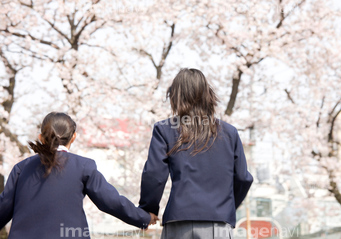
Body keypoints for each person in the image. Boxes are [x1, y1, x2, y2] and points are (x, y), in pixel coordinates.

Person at [0, 112, 157, 239]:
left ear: (41, 138)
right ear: (73, 137)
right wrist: (143, 217)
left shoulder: (21, 168)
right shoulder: (83, 166)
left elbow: (3, 208)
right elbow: (111, 201)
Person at [139, 68, 253, 239]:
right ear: (207, 95)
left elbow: (154, 174)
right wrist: (224, 206)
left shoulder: (164, 129)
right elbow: (243, 178)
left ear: (175, 96)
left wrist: (148, 209)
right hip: (218, 223)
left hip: (179, 221)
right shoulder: (230, 133)